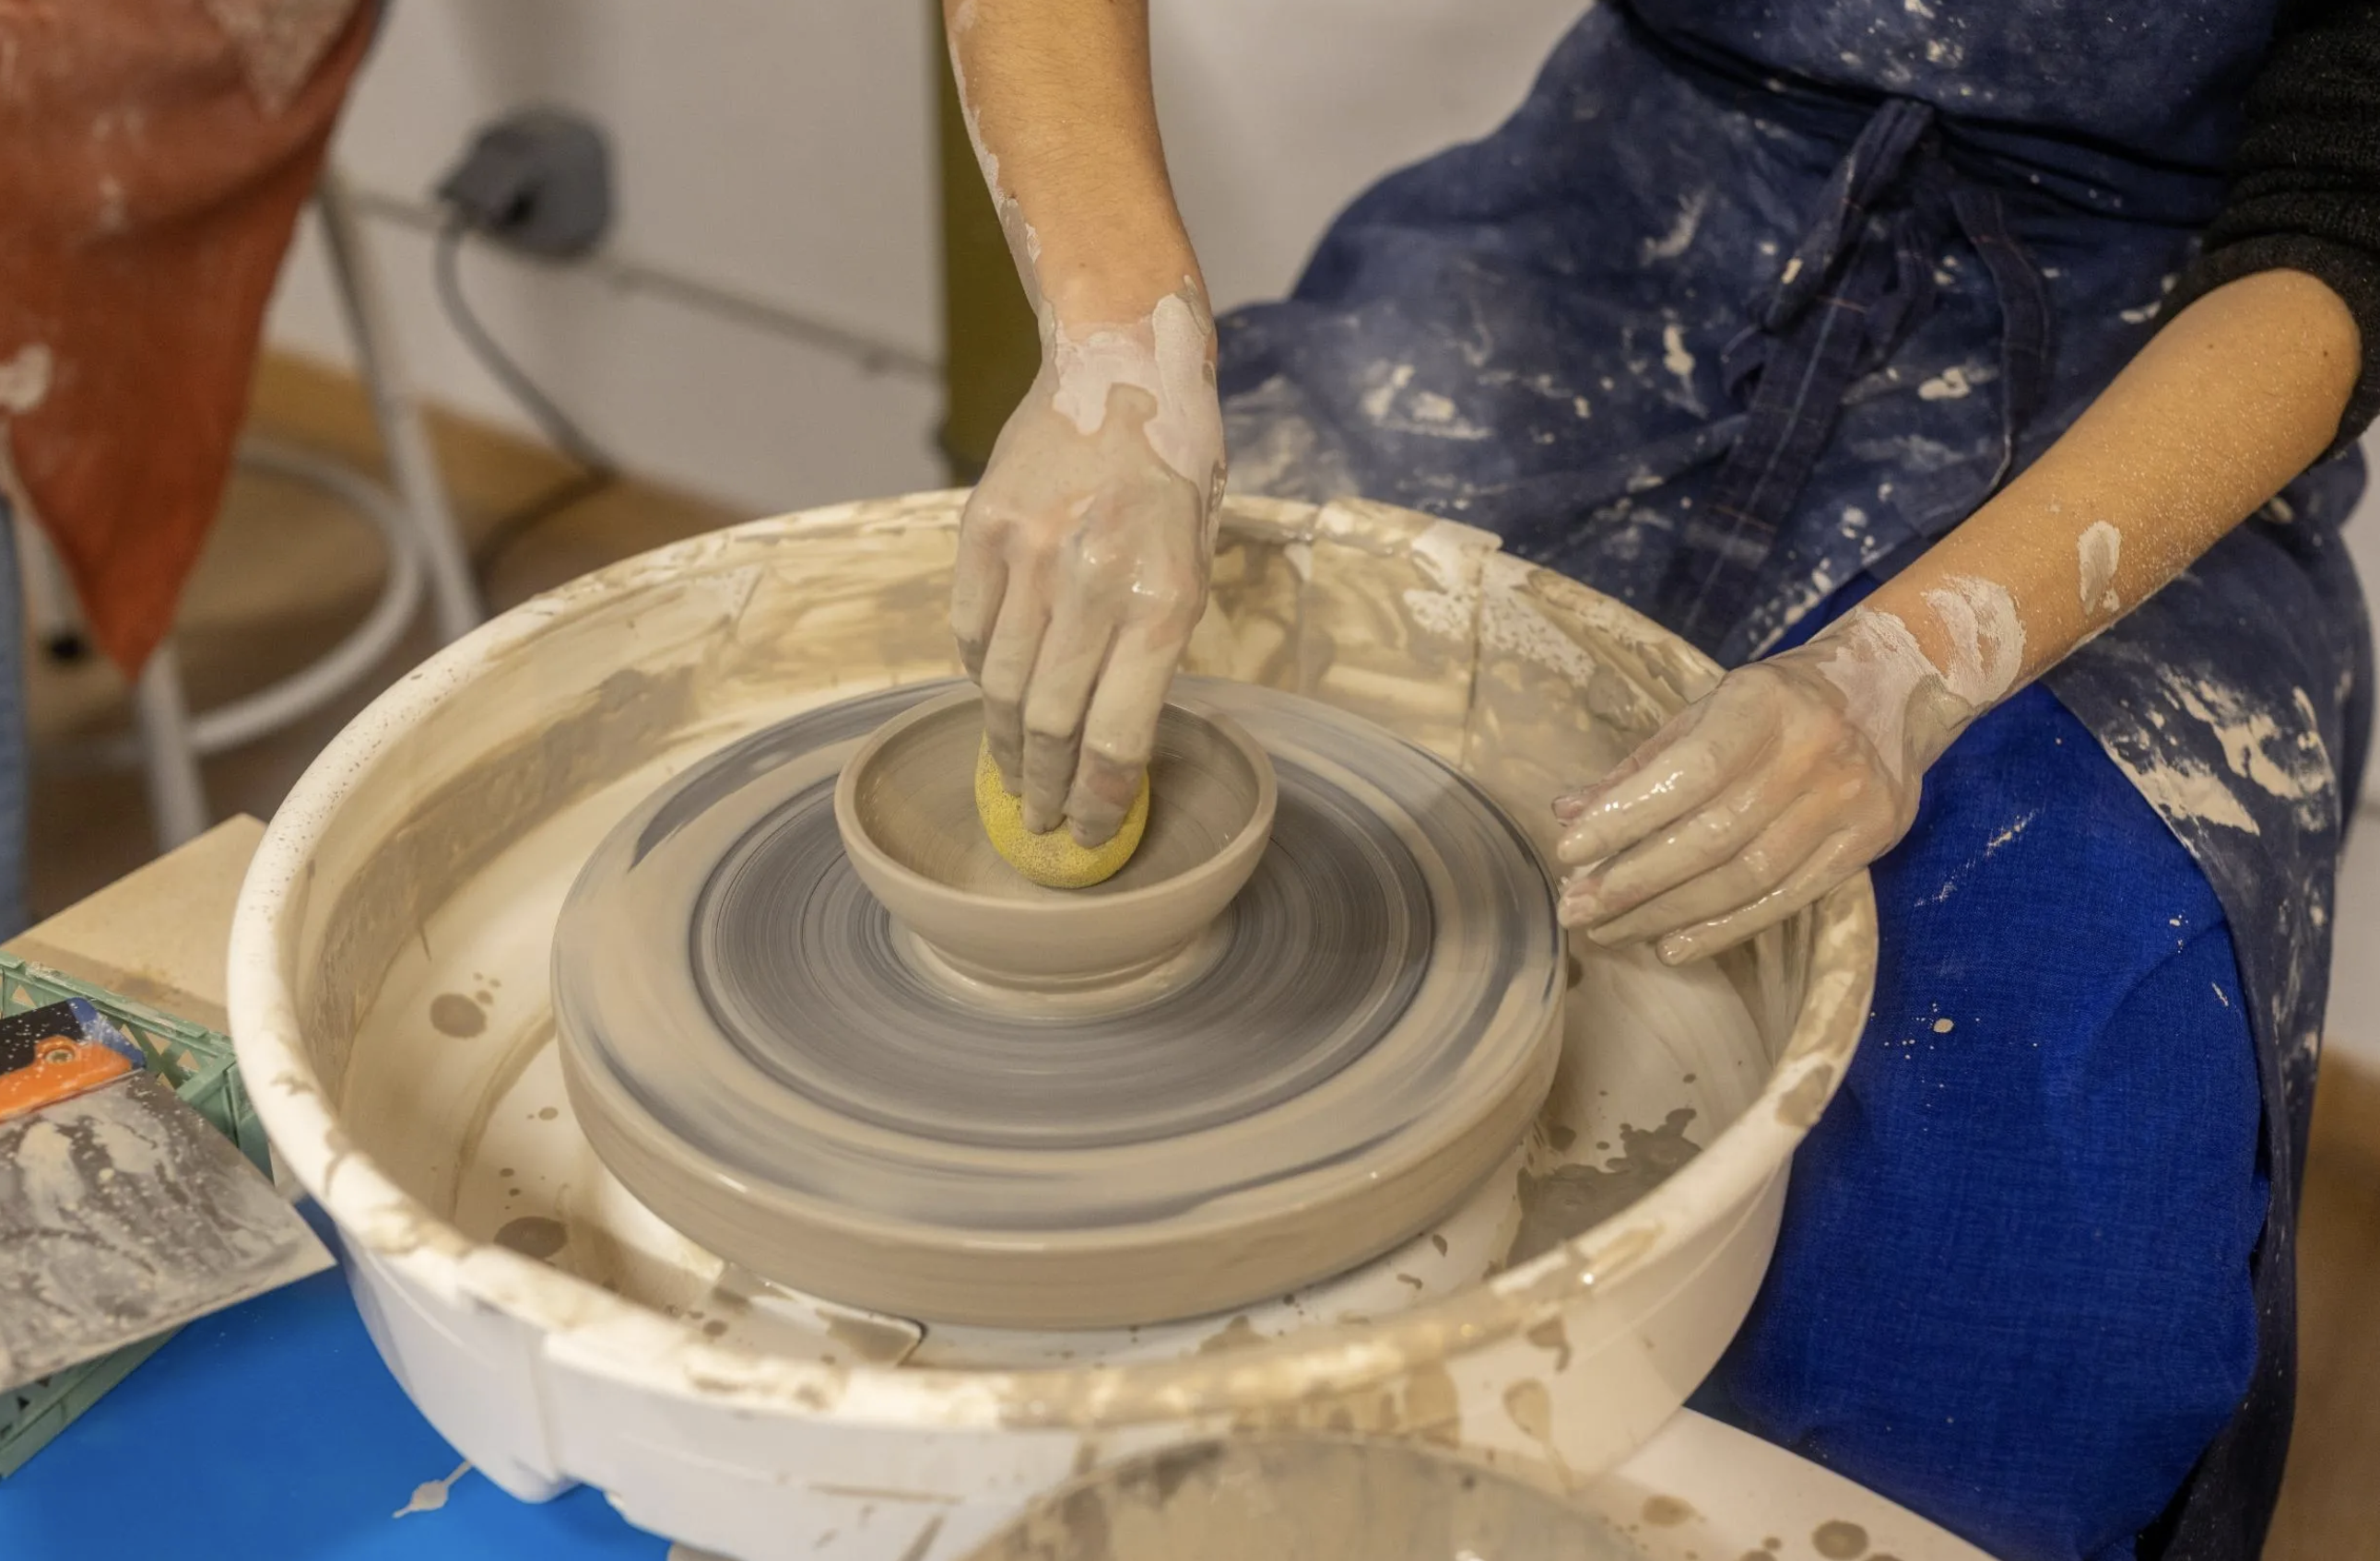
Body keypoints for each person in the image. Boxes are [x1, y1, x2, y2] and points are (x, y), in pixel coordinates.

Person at [942, 1, 2380, 1555]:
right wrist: (1116, 346)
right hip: (1634, 193)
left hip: (2157, 346)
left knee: (2023, 1232)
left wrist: (1906, 669)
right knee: (1166, 724)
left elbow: (2341, 227)